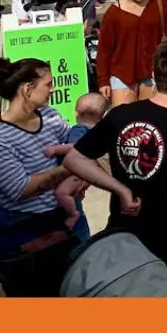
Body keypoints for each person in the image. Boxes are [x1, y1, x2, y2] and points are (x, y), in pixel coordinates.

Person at [64, 39, 167, 296]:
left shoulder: (120, 115)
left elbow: (74, 159)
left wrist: (120, 188)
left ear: (154, 74)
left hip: (124, 239)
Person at [0, 58, 103, 296]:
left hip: (66, 222)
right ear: (27, 89)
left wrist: (84, 167)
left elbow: (77, 144)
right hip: (26, 231)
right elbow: (23, 188)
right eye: (48, 84)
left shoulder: (51, 117)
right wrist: (74, 165)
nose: (53, 89)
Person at [97, 0, 167, 106]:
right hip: (122, 72)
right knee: (124, 121)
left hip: (152, 71)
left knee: (149, 121)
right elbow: (104, 48)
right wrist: (103, 80)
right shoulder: (114, 13)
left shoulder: (160, 3)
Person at [52, 93, 106, 243]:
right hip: (85, 173)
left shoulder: (78, 129)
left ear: (75, 112)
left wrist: (55, 150)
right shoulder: (99, 132)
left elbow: (75, 148)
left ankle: (72, 215)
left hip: (74, 173)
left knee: (62, 193)